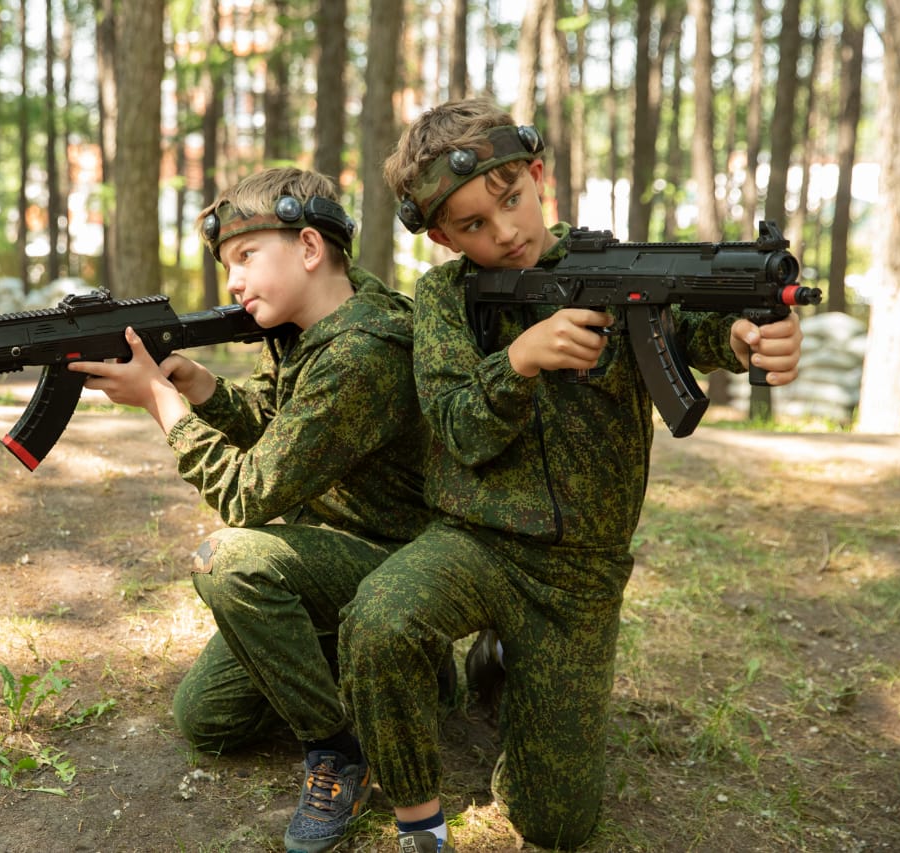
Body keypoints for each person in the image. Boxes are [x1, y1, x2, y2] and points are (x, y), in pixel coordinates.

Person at [338, 99, 805, 852]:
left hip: (579, 575)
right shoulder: (443, 298)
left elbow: (698, 328)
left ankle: (500, 665)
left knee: (554, 823)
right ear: (438, 237)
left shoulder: (617, 271)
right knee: (380, 616)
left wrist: (749, 338)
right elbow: (457, 423)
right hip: (475, 542)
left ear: (535, 175)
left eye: (510, 201)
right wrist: (519, 362)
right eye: (472, 227)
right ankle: (417, 817)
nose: (506, 233)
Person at [68, 167, 437, 853]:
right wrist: (203, 386)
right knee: (203, 718)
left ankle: (338, 749)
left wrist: (161, 403)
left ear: (307, 247)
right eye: (228, 266)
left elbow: (247, 495)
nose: (233, 283)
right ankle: (355, 663)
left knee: (226, 558)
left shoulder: (363, 351)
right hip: (334, 556)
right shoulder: (313, 328)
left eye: (245, 258)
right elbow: (280, 419)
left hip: (396, 574)